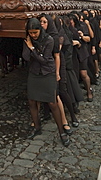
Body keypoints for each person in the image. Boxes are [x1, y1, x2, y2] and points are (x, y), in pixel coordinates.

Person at [22, 18, 70, 146]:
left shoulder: (49, 39)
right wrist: (29, 46)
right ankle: (37, 127)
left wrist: (32, 49)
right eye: (31, 33)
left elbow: (44, 60)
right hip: (34, 73)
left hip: (47, 72)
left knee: (52, 102)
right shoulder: (28, 40)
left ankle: (62, 132)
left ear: (40, 30)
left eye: (35, 33)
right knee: (32, 100)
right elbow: (26, 57)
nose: (33, 35)